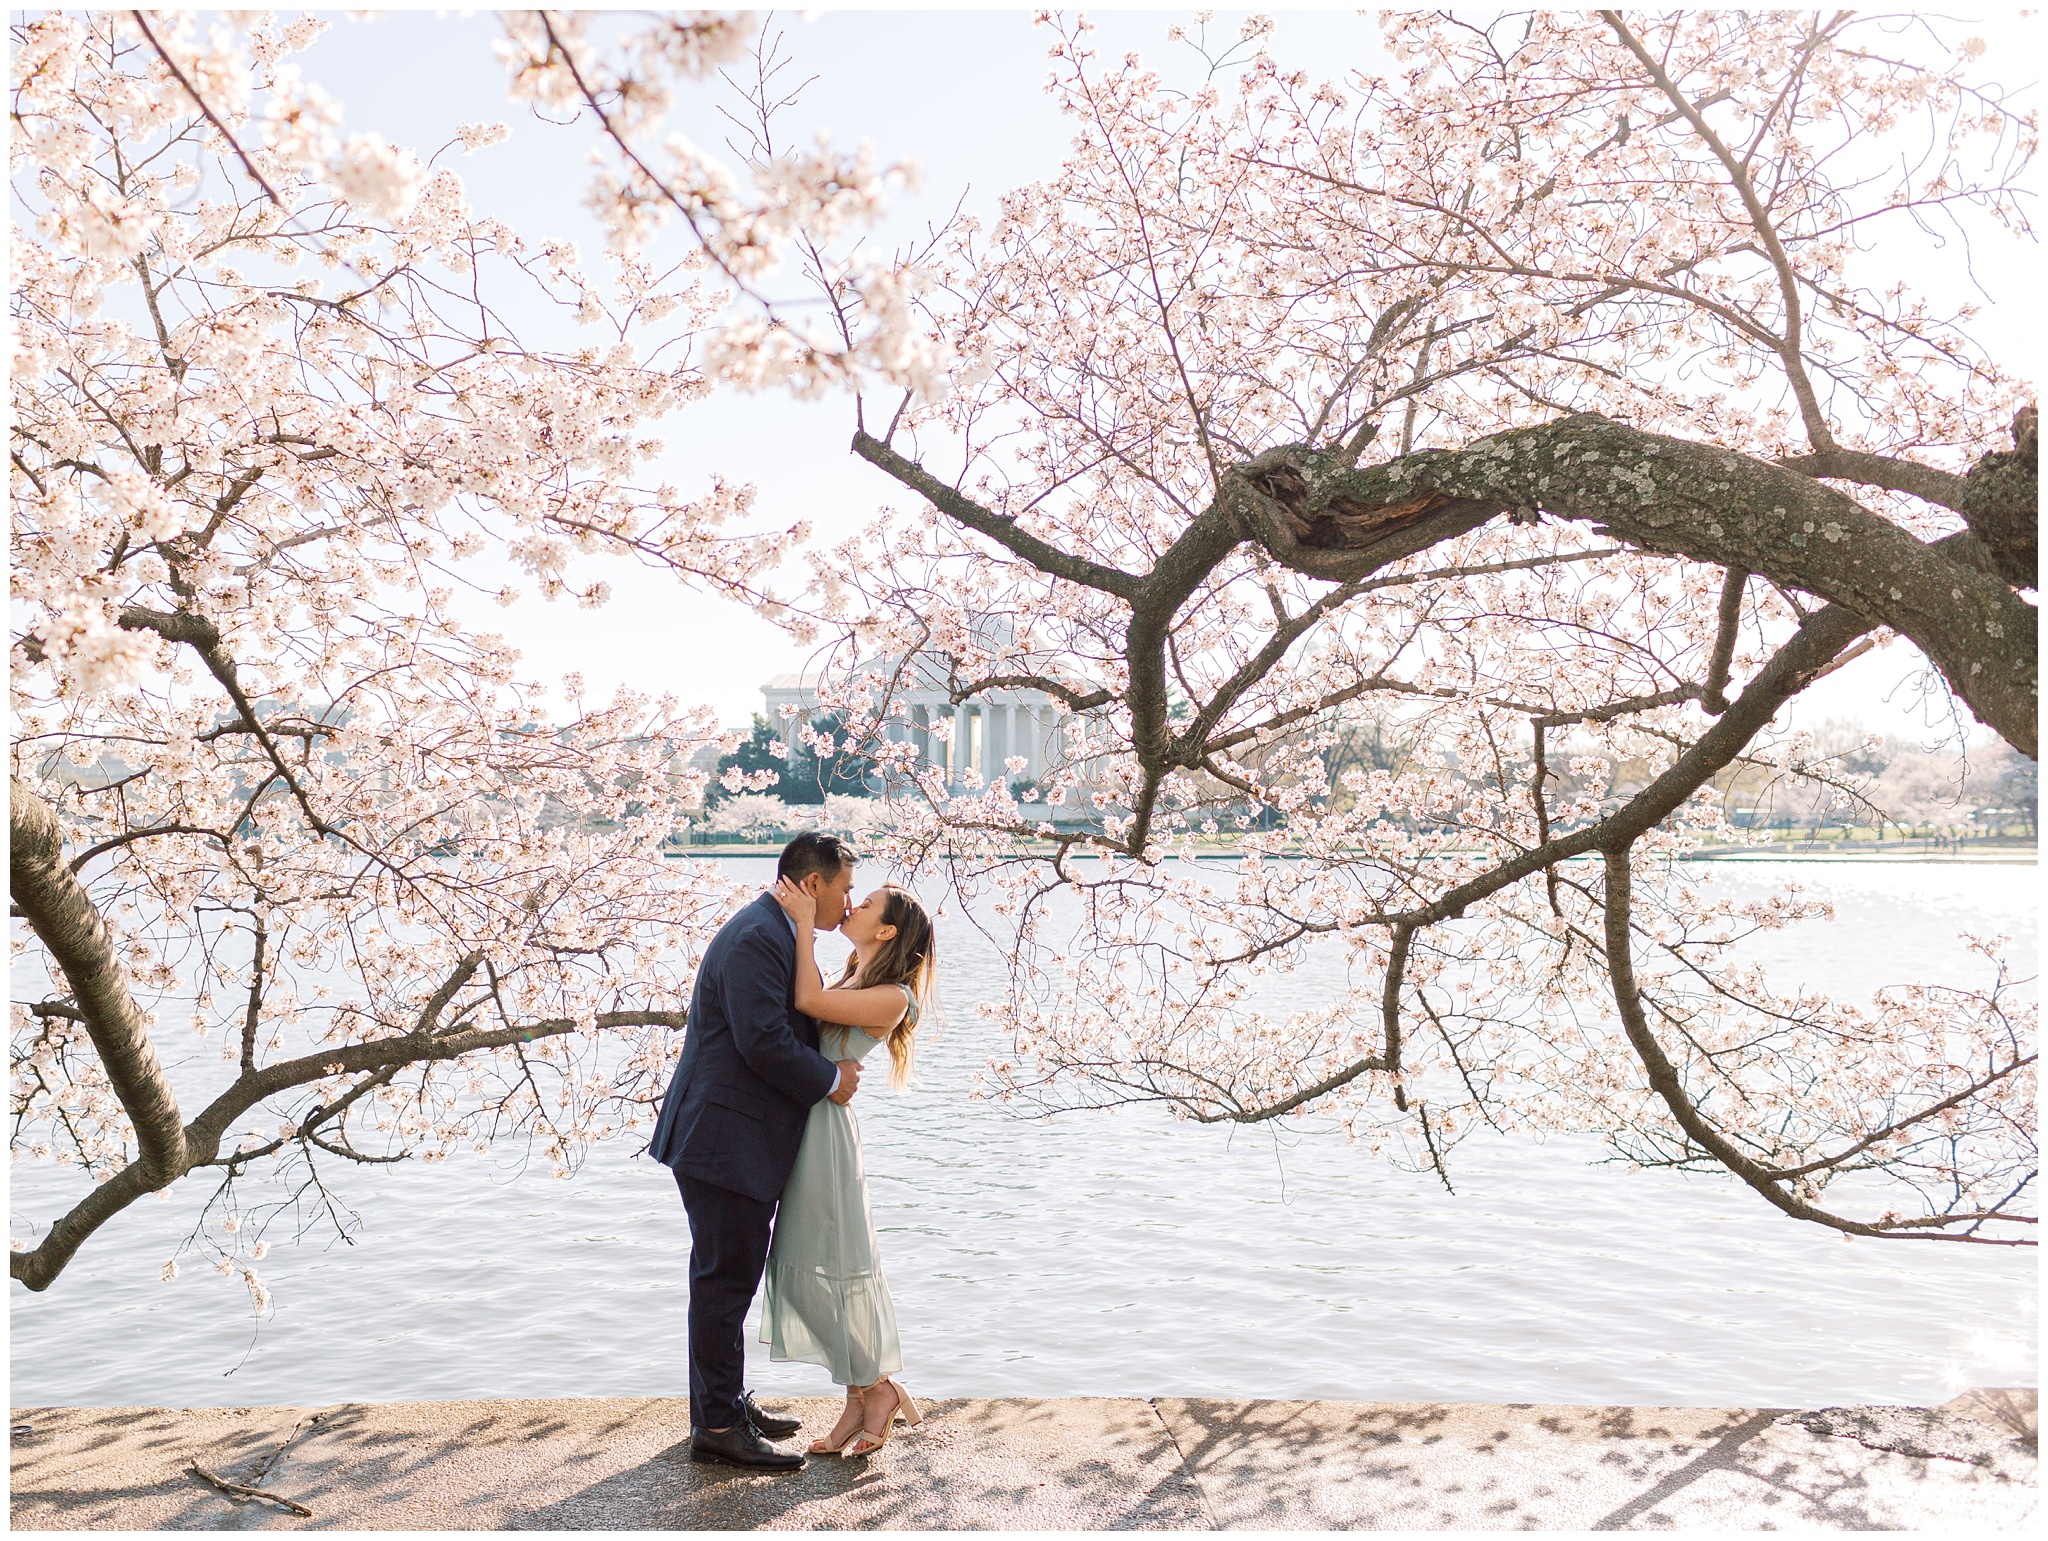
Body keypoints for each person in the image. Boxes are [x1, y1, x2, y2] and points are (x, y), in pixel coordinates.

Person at [645, 833, 865, 1471]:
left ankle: (723, 1404)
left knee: (726, 1280)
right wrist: (830, 1080)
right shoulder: (755, 939)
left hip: (731, 1138)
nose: (848, 902)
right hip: (722, 1142)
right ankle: (716, 1426)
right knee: (723, 1282)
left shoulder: (775, 931)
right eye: (844, 888)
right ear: (814, 882)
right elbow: (762, 1041)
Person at [763, 876, 938, 1457]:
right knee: (805, 1268)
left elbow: (807, 1005)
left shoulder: (894, 996)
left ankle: (877, 1390)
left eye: (866, 905)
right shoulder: (852, 975)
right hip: (806, 1122)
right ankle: (862, 1398)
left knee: (832, 1270)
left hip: (825, 1139)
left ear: (886, 930)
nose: (853, 905)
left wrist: (805, 923)